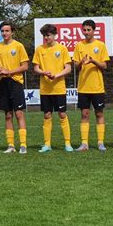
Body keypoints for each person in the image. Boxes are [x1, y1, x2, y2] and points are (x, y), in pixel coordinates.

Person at [33, 24, 73, 152]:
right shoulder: (40, 49)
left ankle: (67, 144)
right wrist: (43, 72)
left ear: (55, 35)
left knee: (62, 114)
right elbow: (35, 68)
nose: (46, 38)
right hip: (45, 89)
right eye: (44, 35)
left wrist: (56, 75)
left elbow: (68, 68)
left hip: (59, 88)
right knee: (47, 114)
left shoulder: (62, 49)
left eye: (48, 35)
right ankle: (47, 144)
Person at [0, 20, 29, 154]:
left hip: (16, 82)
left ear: (12, 32)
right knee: (7, 115)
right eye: (2, 31)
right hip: (4, 83)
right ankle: (11, 145)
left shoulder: (19, 46)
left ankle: (23, 145)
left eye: (7, 31)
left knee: (19, 113)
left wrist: (10, 71)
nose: (4, 33)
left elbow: (25, 66)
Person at [73, 19, 110, 152]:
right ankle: (84, 144)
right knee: (84, 114)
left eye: (89, 30)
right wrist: (81, 62)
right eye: (84, 30)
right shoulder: (79, 46)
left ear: (94, 31)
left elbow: (105, 66)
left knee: (99, 113)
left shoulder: (100, 45)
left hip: (97, 87)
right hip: (83, 87)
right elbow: (75, 66)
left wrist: (94, 61)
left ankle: (100, 143)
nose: (86, 32)